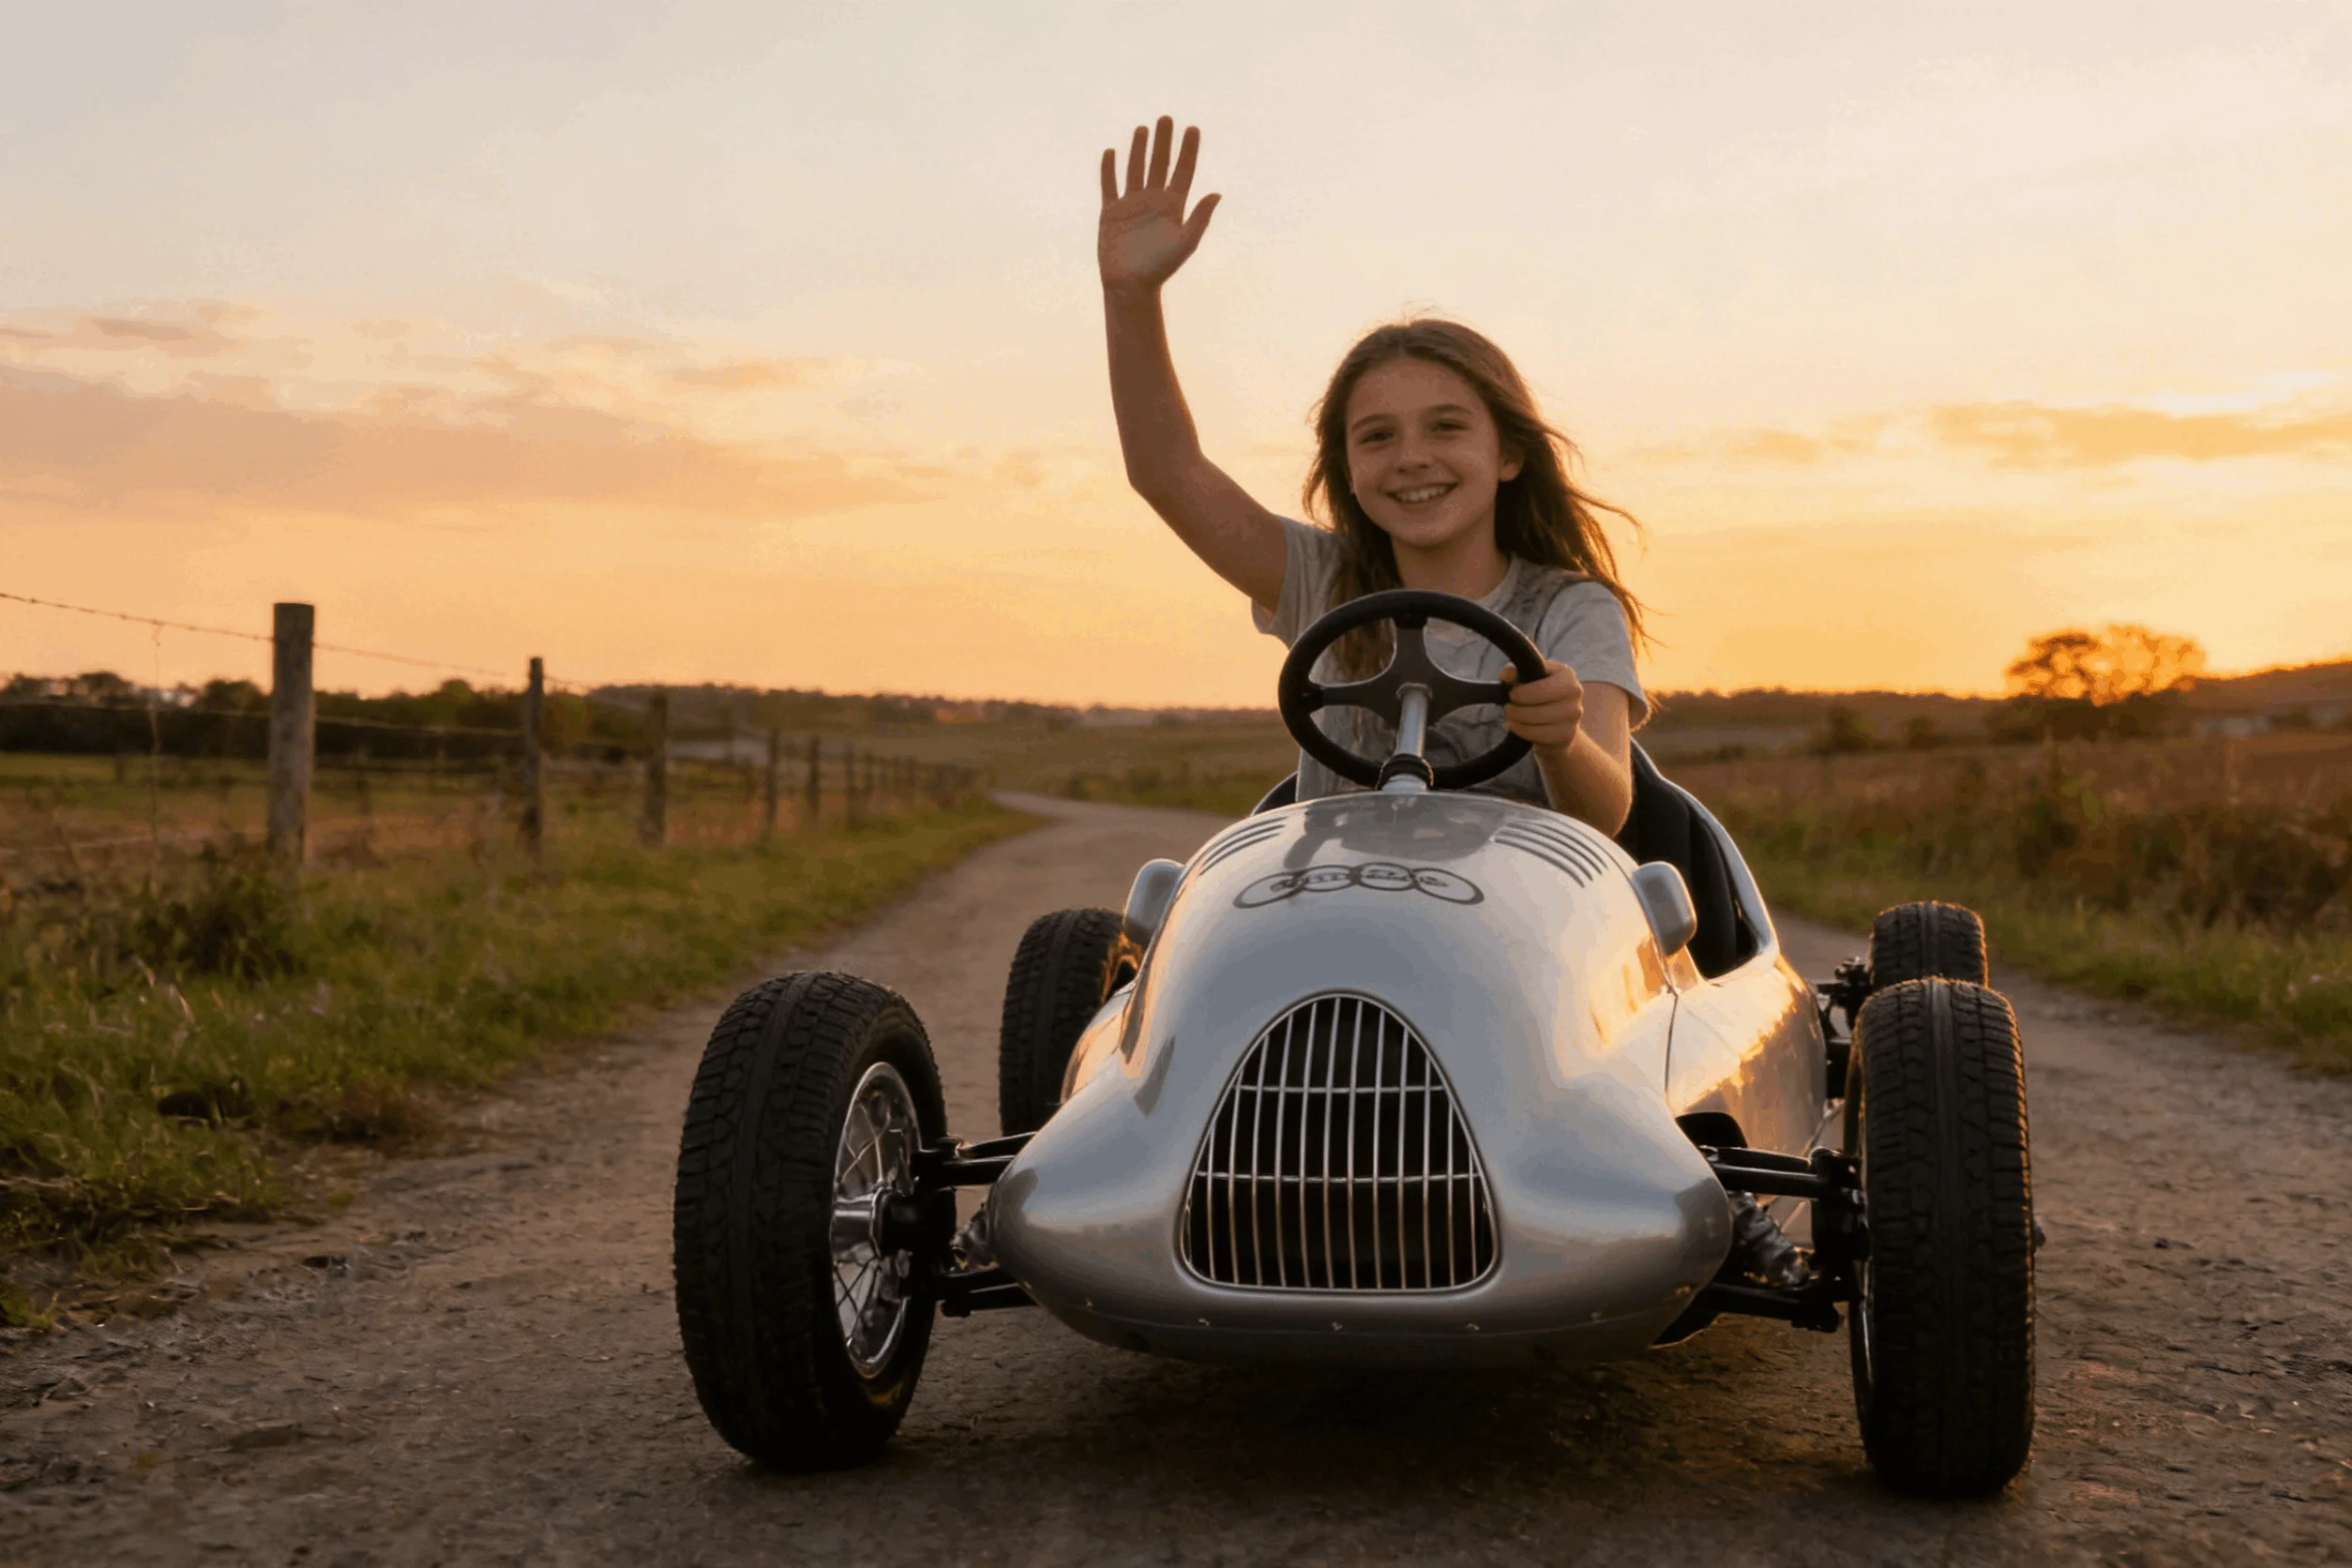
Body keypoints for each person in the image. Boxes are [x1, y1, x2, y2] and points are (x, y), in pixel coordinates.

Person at [1098, 118, 1649, 834]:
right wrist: (1130, 298)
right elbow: (1166, 471)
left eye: (1447, 427)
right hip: (1342, 916)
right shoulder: (1322, 582)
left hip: (1516, 930)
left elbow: (1605, 814)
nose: (1412, 457)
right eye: (1378, 437)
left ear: (1509, 455)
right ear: (1349, 472)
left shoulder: (1572, 610)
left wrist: (1562, 738)